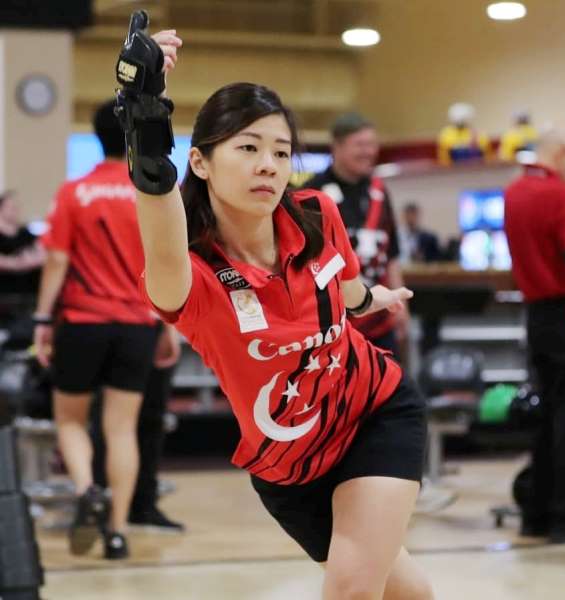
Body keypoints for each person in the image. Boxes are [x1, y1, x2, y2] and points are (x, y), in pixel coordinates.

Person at [114, 16, 432, 599]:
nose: (268, 164)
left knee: (352, 592)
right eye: (249, 147)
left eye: (282, 152)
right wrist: (145, 113)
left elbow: (345, 286)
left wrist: (374, 298)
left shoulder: (315, 212)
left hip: (374, 413)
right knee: (411, 596)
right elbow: (157, 198)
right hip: (289, 471)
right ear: (203, 162)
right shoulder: (191, 275)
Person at [33, 99, 160, 559]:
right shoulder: (147, 193)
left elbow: (56, 260)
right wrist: (166, 326)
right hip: (136, 325)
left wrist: (43, 320)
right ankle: (119, 531)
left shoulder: (73, 192)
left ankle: (88, 488)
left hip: (82, 324)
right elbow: (165, 262)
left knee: (69, 419)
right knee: (121, 430)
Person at [504, 123, 565, 543]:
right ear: (561, 153)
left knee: (547, 417)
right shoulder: (559, 196)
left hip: (535, 314)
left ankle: (537, 513)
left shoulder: (515, 192)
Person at [303, 112, 408, 361]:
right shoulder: (310, 194)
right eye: (360, 145)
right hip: (332, 323)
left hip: (381, 320)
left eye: (372, 145)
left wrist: (403, 311)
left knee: (388, 393)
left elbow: (391, 255)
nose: (368, 152)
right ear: (336, 147)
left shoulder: (380, 191)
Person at [91, 322, 185, 532]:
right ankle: (102, 506)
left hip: (144, 324)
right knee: (113, 425)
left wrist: (168, 328)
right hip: (110, 322)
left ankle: (139, 505)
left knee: (148, 419)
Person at [0, 190, 46, 273]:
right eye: (10, 207)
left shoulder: (26, 233)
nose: (14, 210)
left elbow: (43, 253)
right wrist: (16, 263)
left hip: (28, 282)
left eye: (16, 207)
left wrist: (32, 260)